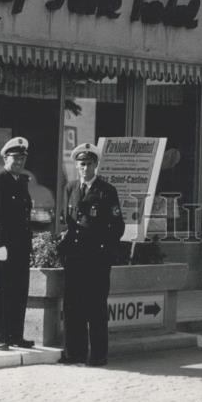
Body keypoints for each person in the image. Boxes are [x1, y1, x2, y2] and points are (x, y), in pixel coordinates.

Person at [59, 142, 125, 366]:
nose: (84, 168)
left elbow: (117, 227)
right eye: (80, 164)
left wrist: (104, 251)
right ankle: (73, 352)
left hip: (96, 259)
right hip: (74, 258)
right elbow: (66, 222)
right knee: (72, 307)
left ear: (96, 165)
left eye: (88, 164)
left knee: (95, 307)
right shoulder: (70, 189)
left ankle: (98, 355)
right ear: (76, 166)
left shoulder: (107, 191)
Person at [0, 136, 34, 350]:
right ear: (5, 158)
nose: (19, 161)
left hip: (20, 247)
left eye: (23, 158)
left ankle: (14, 335)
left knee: (18, 291)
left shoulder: (21, 182)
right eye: (15, 157)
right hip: (2, 248)